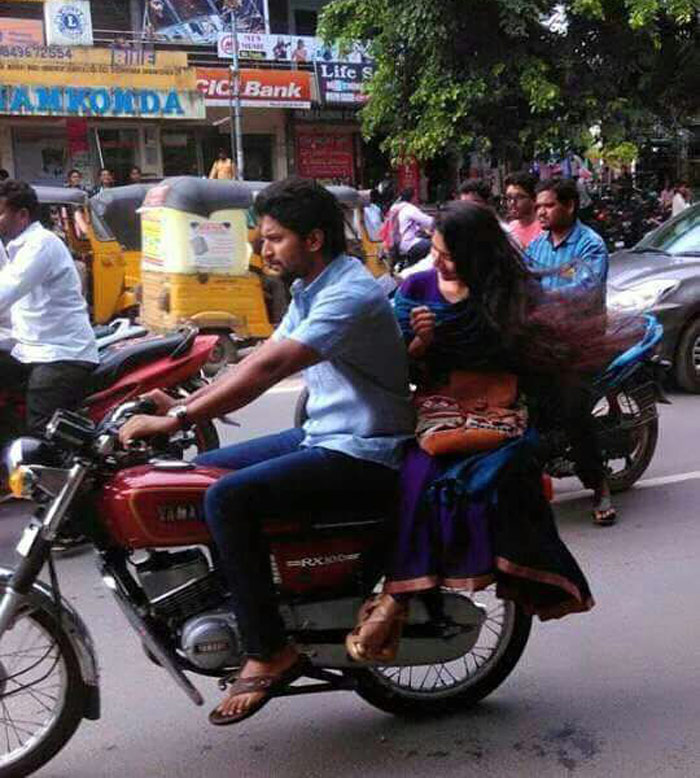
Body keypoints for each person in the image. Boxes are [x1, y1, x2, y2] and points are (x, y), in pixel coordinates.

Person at [118, 177, 414, 726]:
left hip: (367, 449)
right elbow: (252, 361)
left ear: (315, 239)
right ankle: (249, 594)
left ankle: (269, 647)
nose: (263, 250)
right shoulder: (314, 288)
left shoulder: (348, 293)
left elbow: (271, 369)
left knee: (228, 499)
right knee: (195, 476)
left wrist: (180, 416)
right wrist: (187, 400)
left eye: (274, 239)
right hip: (325, 435)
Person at [345, 202, 596, 663]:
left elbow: (536, 365)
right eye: (436, 251)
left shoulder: (513, 296)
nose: (439, 262)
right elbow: (403, 367)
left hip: (496, 418)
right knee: (415, 478)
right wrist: (420, 344)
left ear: (479, 255)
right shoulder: (417, 287)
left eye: (450, 255)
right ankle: (396, 597)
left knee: (489, 484)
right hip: (437, 417)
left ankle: (394, 603)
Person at [527, 177, 614, 526]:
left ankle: (599, 485)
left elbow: (583, 291)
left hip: (582, 342)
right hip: (544, 339)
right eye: (539, 206)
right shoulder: (536, 245)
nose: (541, 212)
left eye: (548, 205)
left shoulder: (591, 245)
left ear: (570, 206)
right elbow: (523, 279)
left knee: (573, 412)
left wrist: (538, 301)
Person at [0, 180, 98, 437]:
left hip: (59, 352)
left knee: (39, 429)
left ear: (22, 215)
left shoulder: (40, 244)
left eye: (1, 212)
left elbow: (6, 291)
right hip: (30, 346)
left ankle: (52, 472)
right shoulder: (17, 247)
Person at [386, 187, 434, 266]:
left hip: (394, 243)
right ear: (413, 197)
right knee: (433, 246)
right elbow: (429, 222)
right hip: (408, 243)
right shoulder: (410, 209)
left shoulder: (394, 208)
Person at [504, 171, 542, 249]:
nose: (512, 203)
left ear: (534, 198)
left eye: (519, 197)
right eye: (509, 198)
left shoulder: (544, 228)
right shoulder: (510, 228)